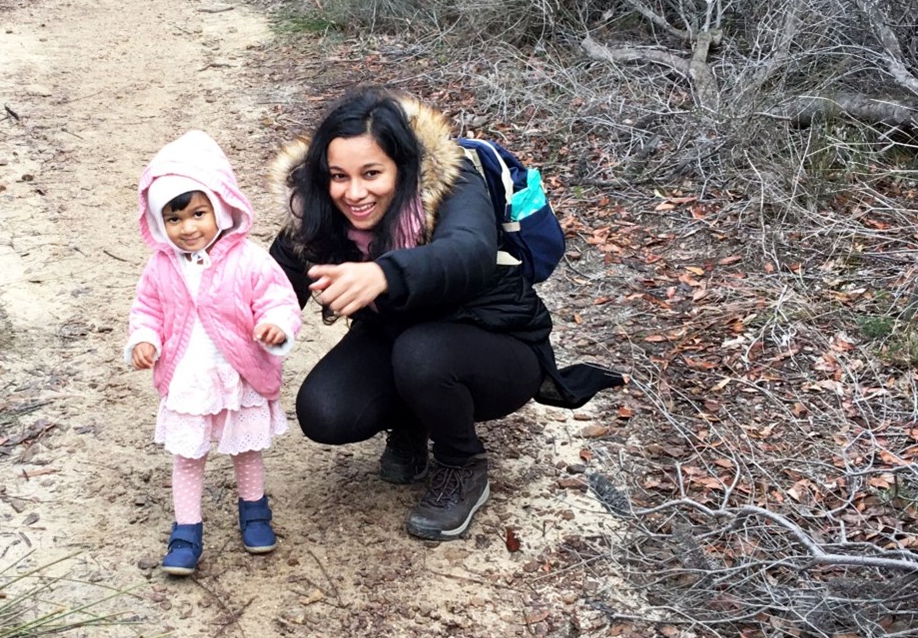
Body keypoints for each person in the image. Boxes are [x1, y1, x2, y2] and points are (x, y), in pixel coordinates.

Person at [268, 87, 623, 541]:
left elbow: (468, 252)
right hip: (399, 339)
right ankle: (411, 422)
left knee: (422, 355)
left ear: (403, 164)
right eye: (339, 176)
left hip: (495, 341)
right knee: (326, 411)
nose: (353, 193)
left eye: (371, 173)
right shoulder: (317, 207)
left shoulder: (454, 181)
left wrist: (384, 274)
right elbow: (272, 284)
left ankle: (462, 464)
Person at [125, 130, 302, 576]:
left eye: (198, 214)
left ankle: (254, 510)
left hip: (238, 373)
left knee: (246, 449)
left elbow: (279, 300)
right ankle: (187, 529)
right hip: (189, 377)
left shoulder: (250, 259)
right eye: (175, 218)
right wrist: (144, 339)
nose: (188, 228)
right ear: (158, 222)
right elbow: (146, 308)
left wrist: (276, 327)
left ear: (220, 208)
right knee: (188, 455)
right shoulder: (161, 266)